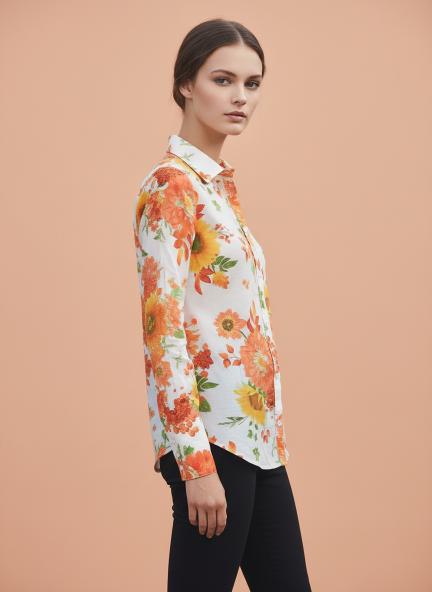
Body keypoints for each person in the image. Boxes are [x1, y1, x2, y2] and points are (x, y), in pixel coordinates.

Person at [132, 17, 313, 592]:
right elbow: (162, 331)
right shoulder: (172, 186)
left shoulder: (215, 190)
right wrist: (194, 463)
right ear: (186, 84)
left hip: (258, 440)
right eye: (223, 79)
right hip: (212, 442)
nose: (241, 97)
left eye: (252, 84)